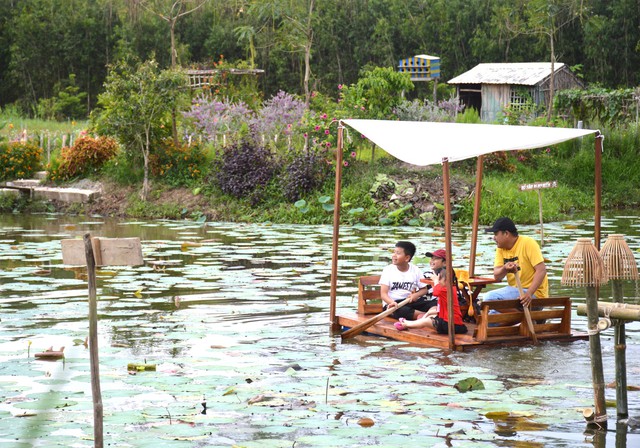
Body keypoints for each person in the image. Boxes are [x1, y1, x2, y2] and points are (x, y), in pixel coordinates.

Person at [482, 217, 548, 308]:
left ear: (506, 233)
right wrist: (505, 268)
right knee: (489, 316)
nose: (494, 238)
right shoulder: (500, 248)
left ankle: (518, 317)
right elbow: (497, 276)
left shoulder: (528, 243)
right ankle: (516, 318)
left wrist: (529, 294)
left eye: (496, 234)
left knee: (489, 297)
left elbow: (541, 270)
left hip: (534, 294)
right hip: (515, 292)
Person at [394, 270, 468, 334]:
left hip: (451, 324)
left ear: (446, 280)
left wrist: (435, 281)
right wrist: (428, 313)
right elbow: (439, 308)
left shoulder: (446, 289)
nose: (438, 282)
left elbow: (436, 292)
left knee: (426, 321)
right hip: (446, 320)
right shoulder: (448, 288)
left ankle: (406, 324)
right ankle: (407, 323)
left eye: (440, 279)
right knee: (430, 316)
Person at [379, 241, 431, 321]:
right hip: (393, 304)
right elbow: (383, 294)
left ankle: (424, 315)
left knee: (433, 304)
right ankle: (427, 316)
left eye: (398, 253)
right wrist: (392, 302)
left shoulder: (415, 270)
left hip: (409, 302)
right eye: (394, 252)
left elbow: (424, 289)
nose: (394, 255)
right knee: (400, 311)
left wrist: (415, 295)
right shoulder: (388, 270)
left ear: (407, 258)